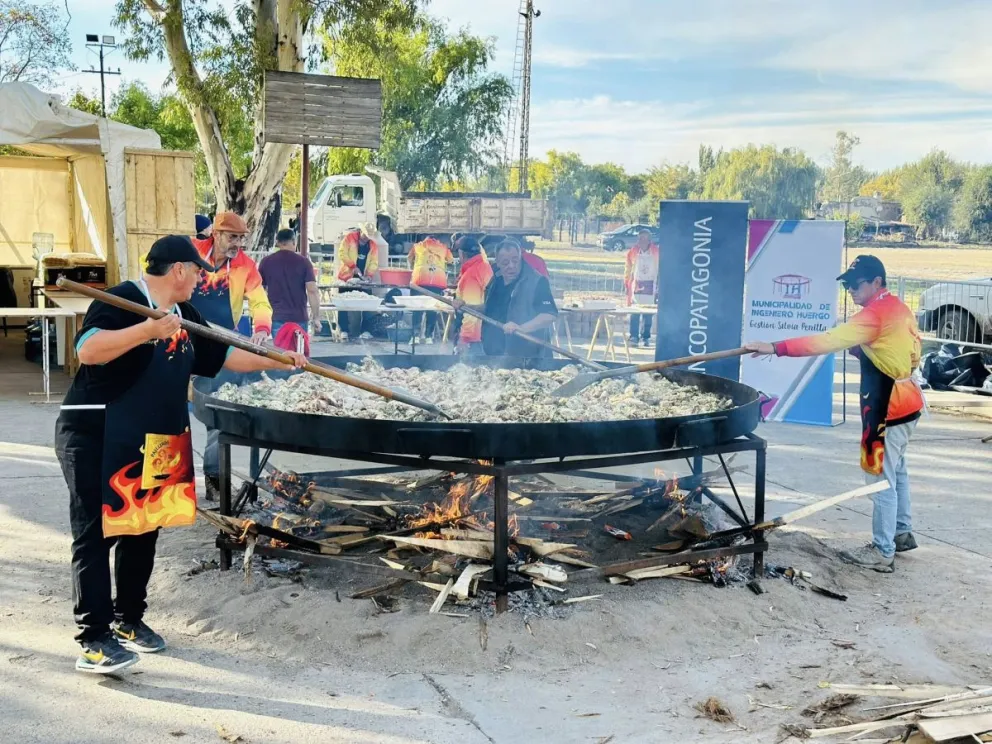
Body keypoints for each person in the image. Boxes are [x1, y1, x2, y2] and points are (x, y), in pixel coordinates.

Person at [54, 235, 305, 674]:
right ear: (178, 270)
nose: (201, 282)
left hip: (154, 440)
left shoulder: (186, 314)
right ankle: (94, 638)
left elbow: (224, 355)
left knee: (144, 528)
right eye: (197, 273)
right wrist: (148, 330)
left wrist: (276, 361)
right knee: (96, 534)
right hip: (98, 432)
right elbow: (88, 351)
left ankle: (128, 619)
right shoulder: (124, 300)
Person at [744, 255, 924, 573]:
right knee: (899, 472)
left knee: (879, 478)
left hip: (887, 408)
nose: (850, 289)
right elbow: (910, 354)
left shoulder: (873, 316)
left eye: (856, 284)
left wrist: (774, 347)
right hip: (910, 401)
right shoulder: (898, 306)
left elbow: (825, 341)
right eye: (847, 284)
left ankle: (883, 551)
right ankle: (900, 532)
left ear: (877, 283)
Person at [190, 212, 273, 499]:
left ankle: (213, 475)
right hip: (182, 338)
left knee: (217, 412)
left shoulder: (245, 266)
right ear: (215, 234)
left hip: (221, 345)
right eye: (231, 237)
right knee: (170, 410)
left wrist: (261, 327)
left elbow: (260, 300)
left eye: (240, 238)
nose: (236, 243)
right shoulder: (192, 251)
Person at [454, 240, 557, 357]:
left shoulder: (537, 281)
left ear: (520, 258)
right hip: (495, 354)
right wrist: (466, 307)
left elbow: (549, 315)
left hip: (528, 355)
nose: (511, 266)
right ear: (497, 262)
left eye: (515, 260)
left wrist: (521, 328)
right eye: (505, 262)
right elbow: (490, 308)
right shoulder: (496, 279)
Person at [259, 228, 321, 338]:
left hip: (276, 316)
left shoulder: (266, 262)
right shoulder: (304, 262)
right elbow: (312, 290)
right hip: (299, 317)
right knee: (299, 353)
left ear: (277, 243)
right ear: (294, 241)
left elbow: (259, 292)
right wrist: (316, 317)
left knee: (280, 353)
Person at [335, 222, 386, 340]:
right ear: (361, 231)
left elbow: (374, 262)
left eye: (369, 236)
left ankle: (366, 329)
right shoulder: (349, 238)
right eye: (365, 234)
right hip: (347, 277)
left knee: (367, 304)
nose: (366, 237)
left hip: (363, 279)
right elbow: (342, 253)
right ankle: (344, 330)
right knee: (343, 304)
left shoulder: (373, 245)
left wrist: (369, 275)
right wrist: (353, 266)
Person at [408, 235, 454, 343]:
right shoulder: (443, 248)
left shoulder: (417, 246)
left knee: (417, 308)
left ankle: (415, 337)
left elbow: (409, 259)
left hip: (419, 281)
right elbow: (451, 260)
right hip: (437, 281)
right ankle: (429, 337)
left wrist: (414, 268)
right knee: (432, 308)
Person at [452, 235, 493, 354]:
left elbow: (471, 311)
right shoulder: (484, 266)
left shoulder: (471, 275)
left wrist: (465, 339)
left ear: (462, 253)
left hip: (473, 340)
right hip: (485, 333)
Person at [624, 229, 659, 348]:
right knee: (635, 312)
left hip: (651, 285)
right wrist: (627, 282)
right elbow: (628, 267)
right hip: (637, 285)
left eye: (644, 238)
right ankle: (633, 336)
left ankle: (646, 337)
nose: (641, 241)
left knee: (648, 313)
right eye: (639, 238)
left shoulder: (656, 251)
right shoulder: (633, 251)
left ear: (649, 240)